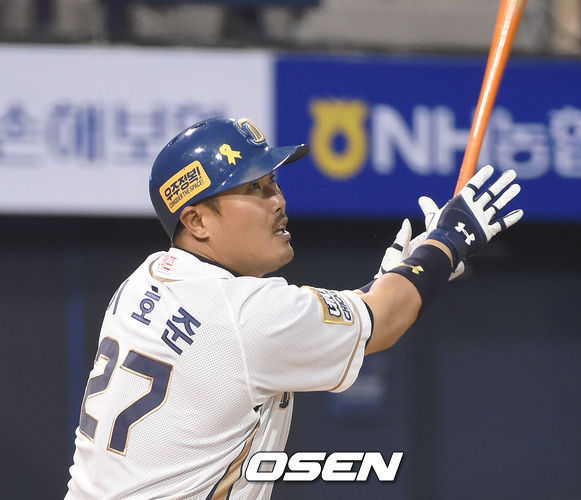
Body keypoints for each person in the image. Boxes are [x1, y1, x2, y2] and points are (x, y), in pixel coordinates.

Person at [65, 116, 523, 499]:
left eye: (273, 183)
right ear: (197, 220)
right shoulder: (247, 314)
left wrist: (394, 279)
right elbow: (382, 319)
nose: (279, 201)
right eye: (255, 189)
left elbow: (277, 331)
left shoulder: (145, 279)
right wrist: (450, 239)